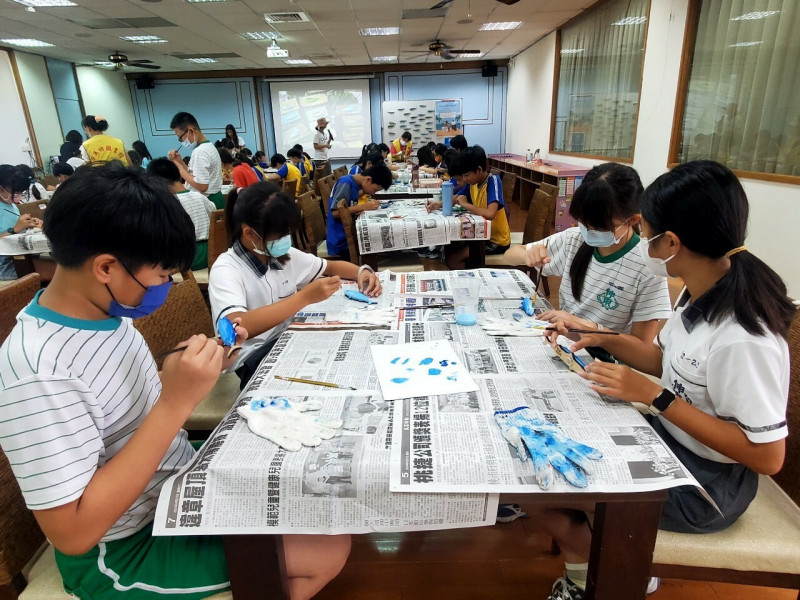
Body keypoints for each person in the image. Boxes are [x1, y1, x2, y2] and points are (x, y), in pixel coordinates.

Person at [0, 163, 351, 600]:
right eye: (162, 274)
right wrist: (175, 404)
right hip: (122, 547)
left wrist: (179, 364)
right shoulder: (37, 370)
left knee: (316, 482)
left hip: (172, 480)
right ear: (107, 267)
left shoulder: (104, 313)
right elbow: (73, 533)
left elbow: (120, 400)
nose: (166, 285)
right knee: (327, 548)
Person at [527, 160, 793, 600]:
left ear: (671, 241)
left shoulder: (744, 337)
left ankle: (615, 575)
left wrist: (657, 398)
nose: (644, 246)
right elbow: (658, 358)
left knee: (547, 485)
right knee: (549, 451)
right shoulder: (702, 287)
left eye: (647, 235)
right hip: (667, 442)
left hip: (707, 486)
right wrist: (590, 332)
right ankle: (599, 563)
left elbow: (767, 457)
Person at [209, 181, 382, 388]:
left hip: (288, 340)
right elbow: (235, 327)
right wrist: (304, 297)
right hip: (254, 359)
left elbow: (330, 266)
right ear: (249, 233)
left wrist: (362, 272)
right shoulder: (227, 269)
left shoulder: (279, 254)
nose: (285, 241)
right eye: (279, 236)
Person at [504, 162, 672, 357]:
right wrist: (528, 254)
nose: (588, 232)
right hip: (562, 344)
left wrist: (588, 328)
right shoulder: (574, 239)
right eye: (584, 223)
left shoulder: (648, 265)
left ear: (633, 220)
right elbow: (511, 254)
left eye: (599, 227)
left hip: (605, 359)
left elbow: (642, 349)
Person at [428, 146, 511, 268]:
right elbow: (457, 197)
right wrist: (437, 205)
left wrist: (467, 205)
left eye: (467, 175)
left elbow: (490, 213)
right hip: (480, 236)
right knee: (450, 248)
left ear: (479, 169)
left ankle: (471, 279)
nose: (465, 179)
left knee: (452, 259)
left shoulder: (493, 181)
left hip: (496, 241)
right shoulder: (473, 183)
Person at [147, 158, 216, 271]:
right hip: (210, 253)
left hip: (188, 258)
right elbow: (213, 212)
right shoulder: (200, 197)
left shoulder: (168, 203)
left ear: (157, 183)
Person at [325, 165, 393, 260]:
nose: (373, 194)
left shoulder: (356, 185)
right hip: (341, 241)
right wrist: (363, 206)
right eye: (375, 190)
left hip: (348, 234)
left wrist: (359, 210)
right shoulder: (346, 182)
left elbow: (349, 208)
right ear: (368, 180)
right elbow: (335, 213)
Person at [168, 112, 224, 210]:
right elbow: (195, 175)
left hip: (207, 202)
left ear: (191, 131)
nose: (181, 141)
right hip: (214, 200)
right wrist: (180, 162)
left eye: (181, 137)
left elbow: (202, 186)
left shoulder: (200, 152)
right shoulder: (208, 146)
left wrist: (179, 168)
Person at [0, 164, 40, 279]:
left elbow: (15, 225)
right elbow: (14, 229)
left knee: (60, 264)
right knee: (57, 270)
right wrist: (15, 229)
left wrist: (28, 224)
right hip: (6, 265)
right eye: (15, 193)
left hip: (22, 255)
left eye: (20, 193)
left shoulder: (9, 204)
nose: (18, 197)